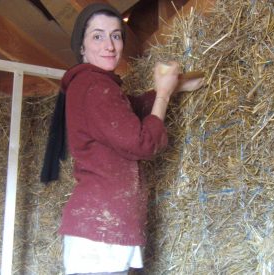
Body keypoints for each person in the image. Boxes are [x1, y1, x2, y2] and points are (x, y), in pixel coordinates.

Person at [43, 3, 203, 275]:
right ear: (81, 46)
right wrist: (163, 95)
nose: (109, 45)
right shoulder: (95, 85)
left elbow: (129, 111)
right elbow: (141, 142)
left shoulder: (94, 85)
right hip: (102, 231)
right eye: (97, 36)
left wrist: (173, 87)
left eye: (115, 35)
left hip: (102, 226)